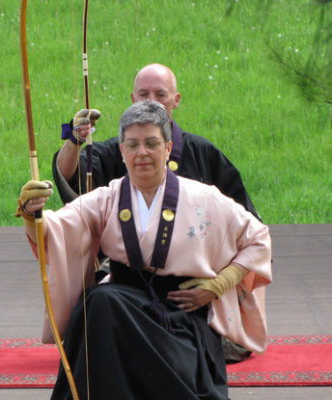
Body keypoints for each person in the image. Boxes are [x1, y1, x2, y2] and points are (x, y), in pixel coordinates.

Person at [17, 101, 272, 400]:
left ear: (167, 148)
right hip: (125, 303)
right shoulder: (108, 198)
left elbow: (258, 239)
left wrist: (219, 285)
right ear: (122, 151)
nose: (142, 153)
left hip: (181, 318)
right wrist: (30, 212)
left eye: (151, 143)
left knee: (102, 304)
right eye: (133, 144)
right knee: (98, 303)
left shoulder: (206, 198)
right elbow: (55, 232)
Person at [52, 63, 260, 222]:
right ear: (133, 99)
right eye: (144, 94)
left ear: (176, 100)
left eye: (160, 94)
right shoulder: (115, 151)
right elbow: (69, 172)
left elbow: (246, 220)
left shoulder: (202, 153)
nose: (151, 101)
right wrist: (75, 140)